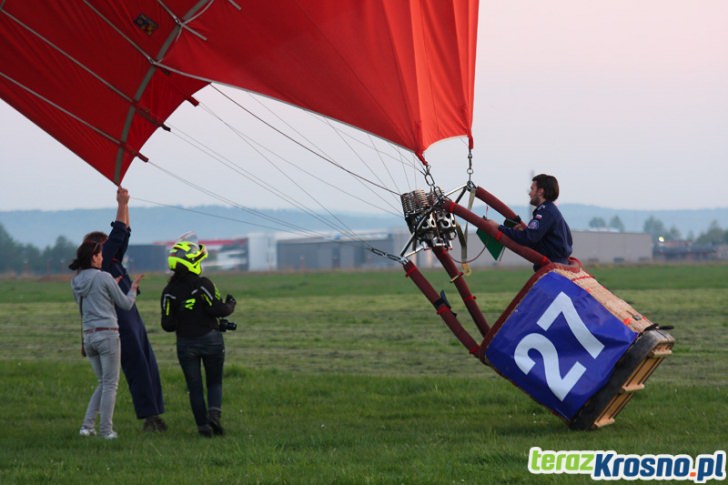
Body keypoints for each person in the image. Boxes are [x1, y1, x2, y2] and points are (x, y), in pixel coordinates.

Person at [83, 187, 167, 432]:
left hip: (132, 318)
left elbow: (124, 233)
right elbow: (119, 233)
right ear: (98, 250)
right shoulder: (103, 265)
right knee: (137, 369)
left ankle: (155, 413)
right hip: (118, 324)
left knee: (148, 364)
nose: (112, 247)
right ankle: (149, 418)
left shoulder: (113, 262)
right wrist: (121, 203)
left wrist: (126, 205)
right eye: (105, 246)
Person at [160, 238, 237, 437]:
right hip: (211, 339)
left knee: (194, 387)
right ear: (193, 262)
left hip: (185, 344)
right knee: (214, 382)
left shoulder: (168, 292)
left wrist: (183, 317)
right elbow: (217, 309)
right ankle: (214, 415)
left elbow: (167, 325)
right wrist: (231, 304)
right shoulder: (203, 284)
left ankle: (203, 427)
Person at [70, 240, 143, 439]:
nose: (102, 258)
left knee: (103, 382)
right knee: (111, 384)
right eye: (100, 255)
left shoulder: (76, 281)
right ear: (93, 257)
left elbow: (93, 300)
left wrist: (110, 287)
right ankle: (106, 431)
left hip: (89, 337)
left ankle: (87, 427)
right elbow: (126, 304)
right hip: (108, 335)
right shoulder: (104, 277)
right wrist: (133, 288)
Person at [485, 174, 573, 268]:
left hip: (553, 268)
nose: (529, 193)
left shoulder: (545, 212)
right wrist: (524, 230)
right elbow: (536, 238)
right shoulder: (549, 210)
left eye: (532, 189)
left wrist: (498, 227)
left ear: (540, 191)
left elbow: (527, 239)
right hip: (555, 264)